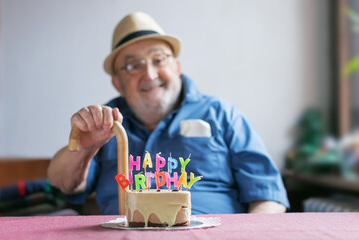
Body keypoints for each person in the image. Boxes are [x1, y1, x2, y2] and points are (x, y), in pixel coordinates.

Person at [48, 12, 289, 215]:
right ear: (117, 83)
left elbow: (268, 195)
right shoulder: (103, 124)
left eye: (159, 59)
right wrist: (86, 147)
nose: (150, 74)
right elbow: (64, 184)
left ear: (176, 66)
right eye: (133, 66)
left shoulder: (222, 114)